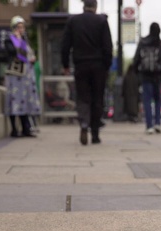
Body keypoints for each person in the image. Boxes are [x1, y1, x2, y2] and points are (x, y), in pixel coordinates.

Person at [61, 0, 113, 145]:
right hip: (98, 66)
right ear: (95, 7)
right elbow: (108, 46)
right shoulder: (102, 21)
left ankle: (84, 123)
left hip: (81, 64)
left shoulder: (73, 21)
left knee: (83, 97)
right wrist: (106, 66)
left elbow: (65, 45)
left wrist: (65, 64)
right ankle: (95, 133)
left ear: (83, 6)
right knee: (97, 98)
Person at [3, 16, 40, 138]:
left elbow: (28, 55)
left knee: (25, 100)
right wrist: (17, 41)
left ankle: (26, 128)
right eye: (19, 27)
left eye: (22, 27)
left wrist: (32, 59)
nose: (21, 29)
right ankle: (14, 129)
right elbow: (17, 55)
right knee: (15, 100)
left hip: (26, 75)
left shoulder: (25, 40)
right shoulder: (10, 40)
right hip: (15, 75)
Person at [133, 22, 161, 134]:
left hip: (145, 76)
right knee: (158, 100)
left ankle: (149, 125)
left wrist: (136, 72)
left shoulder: (143, 42)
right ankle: (158, 123)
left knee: (147, 101)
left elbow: (136, 59)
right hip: (158, 75)